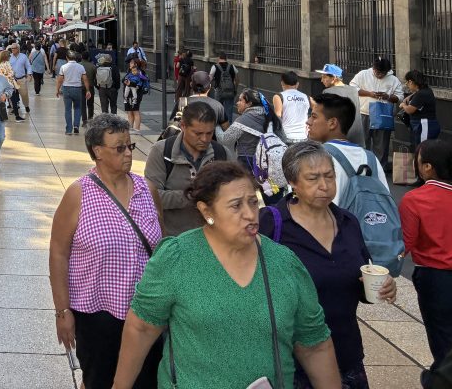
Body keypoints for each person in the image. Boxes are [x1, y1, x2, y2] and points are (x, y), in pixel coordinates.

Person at [112, 161, 340, 389]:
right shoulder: (176, 258)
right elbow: (142, 328)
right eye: (236, 205)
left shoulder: (285, 264)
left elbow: (314, 345)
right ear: (206, 211)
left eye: (253, 202)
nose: (250, 214)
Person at [260, 141, 396, 389]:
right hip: (291, 359)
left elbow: (357, 281)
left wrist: (382, 286)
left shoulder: (348, 222)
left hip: (346, 353)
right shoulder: (271, 223)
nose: (324, 185)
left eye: (329, 176)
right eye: (313, 178)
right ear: (293, 182)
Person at [49, 114, 163, 389]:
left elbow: (162, 250)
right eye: (119, 148)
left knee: (146, 382)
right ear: (97, 152)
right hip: (97, 316)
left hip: (146, 313)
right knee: (99, 381)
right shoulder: (79, 194)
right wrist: (62, 311)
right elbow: (58, 253)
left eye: (130, 146)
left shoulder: (147, 190)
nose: (128, 153)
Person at [399, 139, 452, 376]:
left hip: (438, 281)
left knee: (445, 345)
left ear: (427, 167)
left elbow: (405, 244)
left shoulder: (415, 199)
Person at [143, 103, 228, 236]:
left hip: (214, 238)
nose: (205, 139)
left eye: (209, 133)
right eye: (198, 133)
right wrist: (190, 196)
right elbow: (150, 197)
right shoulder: (162, 151)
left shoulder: (222, 154)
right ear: (183, 126)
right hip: (173, 238)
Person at [305, 94, 389, 199]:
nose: (308, 121)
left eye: (314, 117)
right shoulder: (371, 158)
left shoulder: (318, 157)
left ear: (332, 123)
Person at [221, 88, 288, 203]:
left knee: (248, 200)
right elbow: (283, 139)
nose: (237, 103)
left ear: (249, 104)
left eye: (240, 100)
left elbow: (226, 140)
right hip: (272, 163)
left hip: (249, 164)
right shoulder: (273, 117)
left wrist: (217, 127)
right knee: (273, 201)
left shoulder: (243, 120)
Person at [350, 58, 404, 164]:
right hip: (364, 113)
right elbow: (352, 88)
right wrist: (369, 94)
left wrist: (388, 97)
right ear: (373, 68)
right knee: (362, 143)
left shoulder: (393, 80)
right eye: (377, 72)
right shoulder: (363, 74)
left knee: (381, 145)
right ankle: (363, 165)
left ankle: (380, 167)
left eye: (383, 73)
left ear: (387, 71)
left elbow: (400, 97)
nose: (380, 75)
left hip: (383, 115)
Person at [316, 64, 364, 146]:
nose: (321, 80)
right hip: (356, 137)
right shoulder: (353, 90)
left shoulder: (328, 92)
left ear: (334, 78)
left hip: (338, 139)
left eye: (324, 77)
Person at [400, 70, 439, 145]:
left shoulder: (421, 94)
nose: (406, 84)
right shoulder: (426, 90)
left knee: (423, 148)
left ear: (411, 82)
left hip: (424, 125)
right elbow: (416, 94)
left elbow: (410, 110)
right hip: (426, 125)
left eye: (407, 82)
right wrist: (410, 96)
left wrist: (403, 105)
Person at [56, 52, 90, 136]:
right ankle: (76, 126)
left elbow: (60, 79)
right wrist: (88, 90)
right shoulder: (80, 67)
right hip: (77, 89)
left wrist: (57, 89)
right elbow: (85, 79)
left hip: (66, 88)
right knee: (78, 108)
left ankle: (68, 129)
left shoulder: (63, 67)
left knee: (68, 109)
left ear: (67, 58)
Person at [274, 71, 311, 144]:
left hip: (287, 137)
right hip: (304, 137)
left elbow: (277, 116)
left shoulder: (279, 96)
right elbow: (317, 108)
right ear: (297, 84)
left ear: (282, 83)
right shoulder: (306, 97)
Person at [209, 53, 239, 124]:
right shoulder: (232, 66)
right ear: (226, 58)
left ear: (219, 58)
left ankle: (218, 125)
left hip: (219, 91)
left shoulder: (215, 67)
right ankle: (229, 126)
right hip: (230, 91)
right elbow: (237, 80)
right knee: (229, 109)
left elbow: (209, 79)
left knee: (218, 109)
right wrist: (235, 89)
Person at [122, 58, 147, 131]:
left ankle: (137, 129)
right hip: (128, 94)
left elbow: (139, 84)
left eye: (131, 63)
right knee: (129, 112)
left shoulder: (140, 73)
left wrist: (130, 83)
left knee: (135, 111)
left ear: (135, 64)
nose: (130, 64)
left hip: (136, 95)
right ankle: (130, 128)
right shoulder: (130, 71)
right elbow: (123, 80)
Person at [8, 43, 31, 117]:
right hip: (12, 79)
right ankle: (14, 108)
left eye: (14, 48)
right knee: (11, 95)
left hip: (21, 79)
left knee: (24, 94)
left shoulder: (23, 56)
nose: (12, 50)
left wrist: (29, 74)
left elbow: (28, 66)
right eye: (12, 48)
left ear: (18, 49)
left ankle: (26, 105)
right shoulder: (9, 57)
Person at [79, 48, 98, 124]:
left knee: (82, 104)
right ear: (88, 57)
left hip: (80, 87)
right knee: (90, 104)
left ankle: (84, 120)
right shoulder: (93, 66)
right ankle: (90, 119)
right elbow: (96, 77)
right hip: (90, 86)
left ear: (81, 57)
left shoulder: (78, 65)